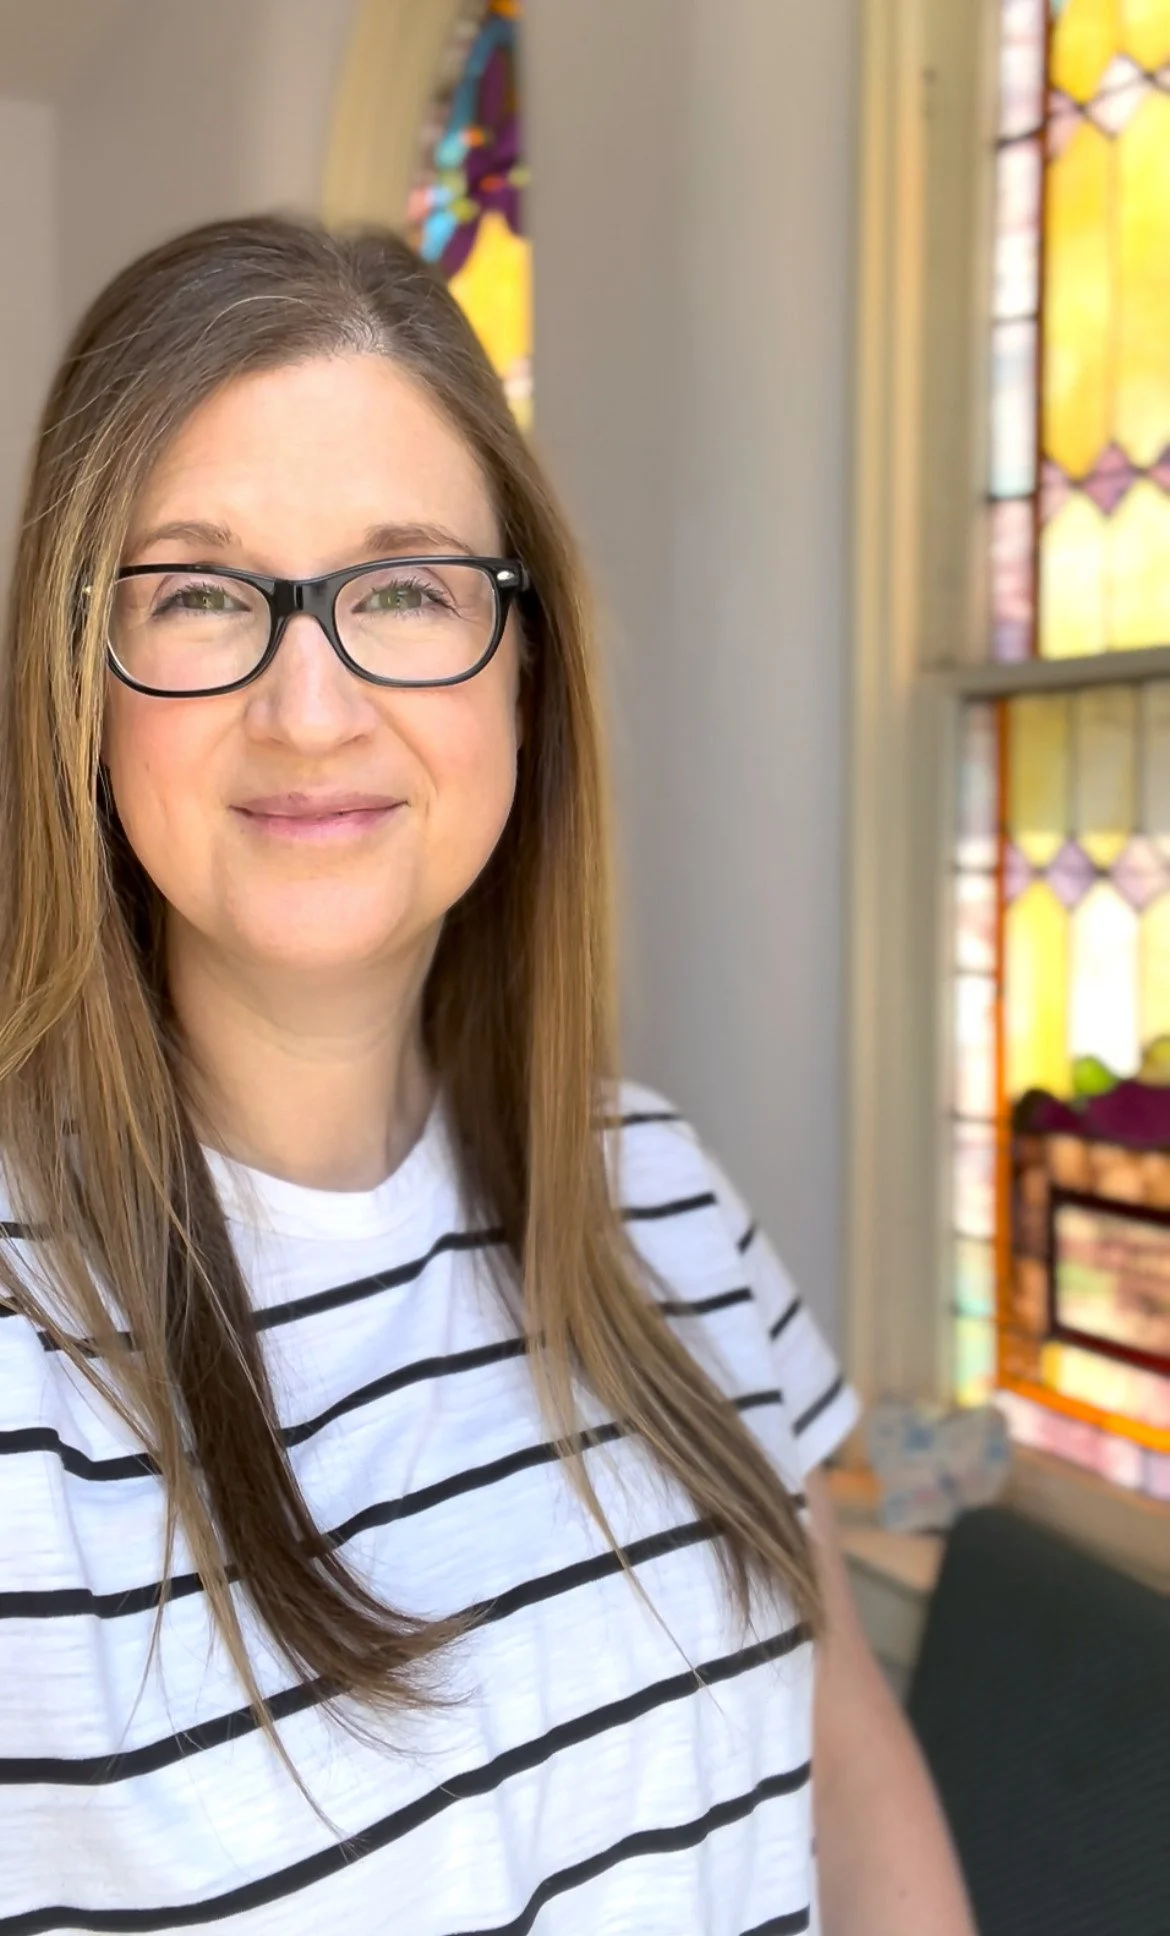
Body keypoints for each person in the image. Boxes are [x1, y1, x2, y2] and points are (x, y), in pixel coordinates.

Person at [0, 217, 973, 1936]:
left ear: (524, 664)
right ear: (79, 684)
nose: (312, 709)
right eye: (204, 594)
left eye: (402, 589)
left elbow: (842, 1753)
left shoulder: (657, 1187)